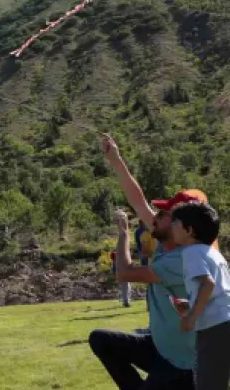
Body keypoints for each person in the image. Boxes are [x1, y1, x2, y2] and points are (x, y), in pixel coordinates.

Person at [89, 133, 206, 389]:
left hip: (182, 363)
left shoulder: (182, 259)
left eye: (162, 214)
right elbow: (137, 198)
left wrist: (123, 235)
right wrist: (116, 160)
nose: (154, 217)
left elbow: (124, 273)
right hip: (160, 347)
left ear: (182, 225)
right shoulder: (169, 241)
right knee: (101, 340)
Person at [170, 202, 230, 390]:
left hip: (215, 327)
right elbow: (218, 290)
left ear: (189, 230)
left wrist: (191, 318)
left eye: (175, 223)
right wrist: (190, 303)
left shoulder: (191, 252)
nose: (171, 227)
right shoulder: (214, 253)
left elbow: (208, 283)